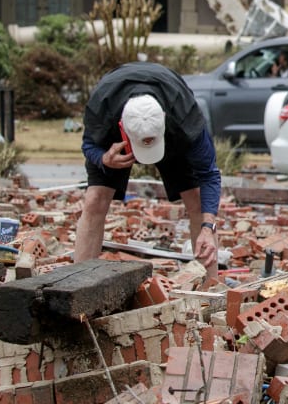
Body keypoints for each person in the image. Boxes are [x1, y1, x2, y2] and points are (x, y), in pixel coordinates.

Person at [77, 62, 221, 284]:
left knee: (197, 201)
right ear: (121, 127)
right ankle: (78, 283)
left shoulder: (185, 117)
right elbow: (88, 146)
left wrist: (208, 227)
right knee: (95, 200)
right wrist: (103, 158)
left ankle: (211, 290)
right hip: (114, 126)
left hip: (173, 132)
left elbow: (209, 175)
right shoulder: (101, 107)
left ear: (164, 119)